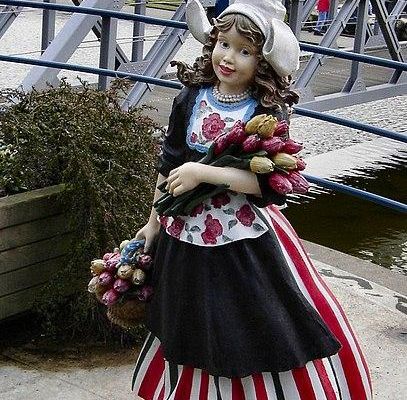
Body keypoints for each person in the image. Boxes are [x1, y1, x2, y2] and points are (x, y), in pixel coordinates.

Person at [132, 0, 372, 398]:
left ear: (262, 61)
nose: (228, 58)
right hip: (184, 235)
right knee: (187, 321)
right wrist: (153, 223)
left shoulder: (265, 110)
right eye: (223, 44)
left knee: (248, 324)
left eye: (245, 51)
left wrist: (203, 173)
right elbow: (169, 165)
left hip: (241, 239)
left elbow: (268, 184)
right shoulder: (191, 98)